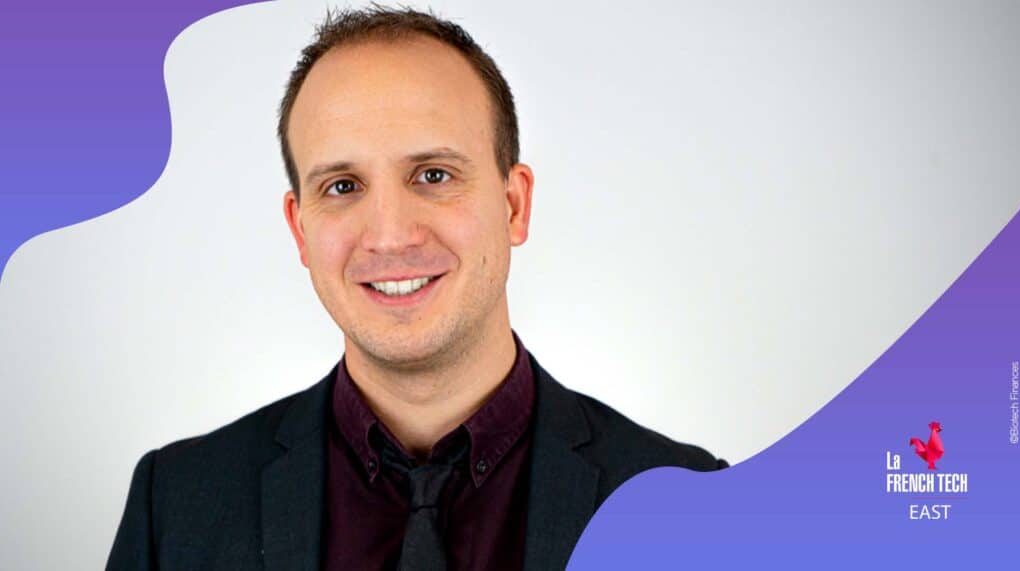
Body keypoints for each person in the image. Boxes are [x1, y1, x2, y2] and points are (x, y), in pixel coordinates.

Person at [107, 6, 728, 570]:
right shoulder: (176, 505)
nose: (390, 235)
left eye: (433, 175)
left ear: (514, 206)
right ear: (300, 230)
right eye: (342, 187)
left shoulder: (690, 511)